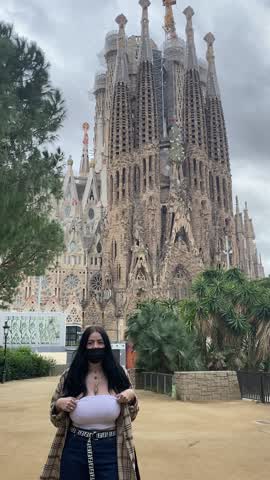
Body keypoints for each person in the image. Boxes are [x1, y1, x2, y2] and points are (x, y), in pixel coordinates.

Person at [40, 326, 140, 480]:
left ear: (106, 345)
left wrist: (131, 395)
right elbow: (55, 419)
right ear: (84, 347)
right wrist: (60, 404)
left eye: (100, 342)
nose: (95, 347)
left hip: (112, 449)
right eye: (90, 343)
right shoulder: (70, 376)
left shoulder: (119, 374)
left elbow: (131, 415)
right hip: (75, 448)